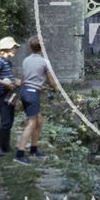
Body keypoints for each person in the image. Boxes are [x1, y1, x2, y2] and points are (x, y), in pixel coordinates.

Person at [14, 35, 58, 165]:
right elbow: (51, 82)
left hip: (25, 92)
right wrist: (56, 88)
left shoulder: (26, 60)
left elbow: (26, 78)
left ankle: (34, 149)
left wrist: (39, 86)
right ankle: (19, 154)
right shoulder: (45, 62)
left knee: (39, 120)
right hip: (32, 94)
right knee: (32, 123)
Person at [0, 36, 22, 156]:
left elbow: (7, 77)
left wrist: (15, 81)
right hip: (3, 95)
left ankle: (6, 146)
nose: (15, 50)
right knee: (5, 122)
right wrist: (5, 84)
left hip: (10, 95)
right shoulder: (0, 61)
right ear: (6, 49)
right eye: (14, 48)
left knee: (10, 121)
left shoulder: (8, 62)